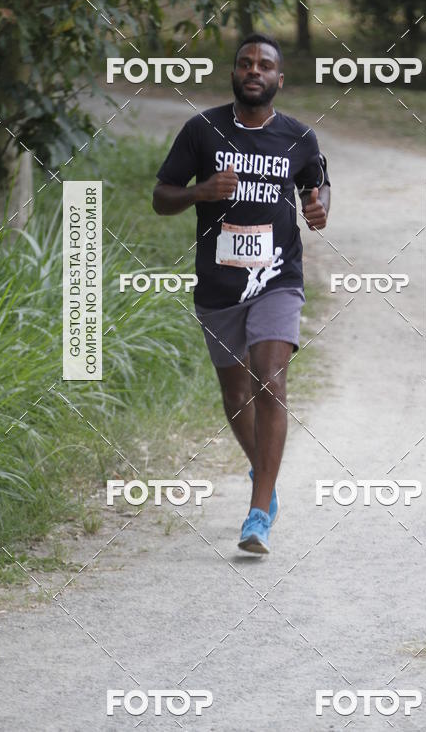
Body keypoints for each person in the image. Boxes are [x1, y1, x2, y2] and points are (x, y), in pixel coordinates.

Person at [152, 33, 330, 554]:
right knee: (235, 395)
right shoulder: (201, 130)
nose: (255, 70)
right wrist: (199, 193)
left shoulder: (299, 138)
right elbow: (162, 197)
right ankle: (266, 480)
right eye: (245, 63)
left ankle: (258, 510)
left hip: (278, 278)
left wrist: (319, 211)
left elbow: (316, 190)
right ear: (235, 75)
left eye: (265, 65)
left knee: (270, 381)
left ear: (279, 79)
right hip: (219, 285)